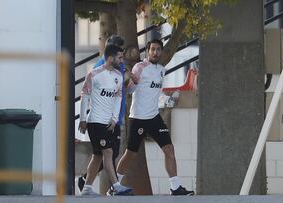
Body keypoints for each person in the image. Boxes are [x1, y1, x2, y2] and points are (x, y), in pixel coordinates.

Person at [116, 39, 195, 196]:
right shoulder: (140, 67)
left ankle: (175, 187)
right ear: (147, 51)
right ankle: (115, 184)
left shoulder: (161, 69)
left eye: (159, 49)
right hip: (138, 118)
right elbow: (131, 90)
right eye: (152, 49)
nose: (155, 52)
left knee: (169, 150)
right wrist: (130, 82)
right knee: (130, 154)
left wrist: (167, 99)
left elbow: (157, 92)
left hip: (154, 117)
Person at [77, 35, 130, 194]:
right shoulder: (94, 74)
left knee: (98, 156)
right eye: (120, 58)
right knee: (108, 152)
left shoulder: (118, 76)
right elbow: (84, 96)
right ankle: (116, 186)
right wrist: (83, 119)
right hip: (95, 122)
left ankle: (86, 187)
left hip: (110, 123)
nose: (122, 61)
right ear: (111, 57)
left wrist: (114, 119)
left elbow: (118, 98)